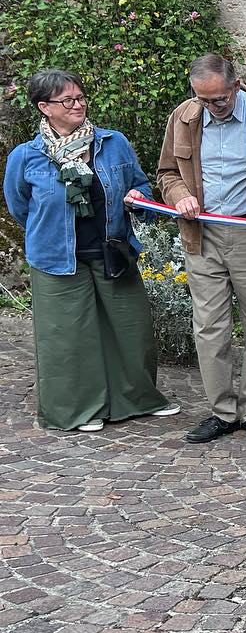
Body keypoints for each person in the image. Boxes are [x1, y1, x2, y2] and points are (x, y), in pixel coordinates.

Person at [3, 70, 179, 431]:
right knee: (68, 338)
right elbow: (20, 206)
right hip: (56, 259)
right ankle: (79, 410)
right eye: (67, 100)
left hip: (112, 251)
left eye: (81, 97)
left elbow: (141, 187)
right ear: (44, 107)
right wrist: (48, 231)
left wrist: (139, 198)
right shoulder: (27, 156)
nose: (78, 105)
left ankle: (137, 399)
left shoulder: (113, 143)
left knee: (131, 331)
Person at [155, 54, 246, 446]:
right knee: (209, 328)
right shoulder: (183, 117)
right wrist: (179, 195)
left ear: (236, 85)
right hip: (202, 237)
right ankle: (222, 411)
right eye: (203, 99)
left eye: (219, 99)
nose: (212, 106)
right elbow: (166, 173)